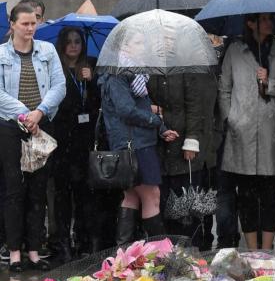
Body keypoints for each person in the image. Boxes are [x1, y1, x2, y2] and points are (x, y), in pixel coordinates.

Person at [0, 3, 65, 270]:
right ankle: (15, 251)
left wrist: (40, 113)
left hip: (41, 125)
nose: (30, 28)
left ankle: (35, 251)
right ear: (12, 24)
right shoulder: (1, 54)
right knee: (14, 190)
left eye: (33, 23)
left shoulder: (47, 51)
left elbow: (59, 85)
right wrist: (26, 114)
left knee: (38, 191)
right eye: (24, 23)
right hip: (10, 127)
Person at [219, 13, 275, 250]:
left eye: (271, 18)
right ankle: (251, 249)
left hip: (272, 130)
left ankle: (267, 248)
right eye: (264, 19)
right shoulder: (235, 50)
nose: (270, 22)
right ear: (251, 24)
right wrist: (231, 118)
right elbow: (225, 88)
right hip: (242, 132)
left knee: (271, 195)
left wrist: (270, 83)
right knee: (247, 196)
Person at [100, 32, 178, 247]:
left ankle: (123, 253)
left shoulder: (136, 75)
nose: (143, 47)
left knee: (132, 197)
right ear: (123, 47)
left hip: (136, 142)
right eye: (138, 42)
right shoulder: (118, 74)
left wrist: (161, 128)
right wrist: (155, 121)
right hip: (133, 145)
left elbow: (141, 106)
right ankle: (161, 252)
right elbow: (126, 110)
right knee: (151, 195)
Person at [149, 69, 218, 250]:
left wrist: (191, 140)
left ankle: (190, 251)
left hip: (184, 147)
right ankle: (166, 253)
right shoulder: (148, 69)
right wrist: (150, 108)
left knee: (186, 205)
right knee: (162, 205)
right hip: (159, 145)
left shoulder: (185, 69)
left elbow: (194, 107)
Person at [49, 28, 100, 259]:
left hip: (84, 140)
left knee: (84, 194)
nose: (73, 46)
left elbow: (96, 104)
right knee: (62, 196)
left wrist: (91, 82)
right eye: (68, 42)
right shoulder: (55, 67)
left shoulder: (90, 65)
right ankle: (62, 242)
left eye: (77, 42)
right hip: (61, 139)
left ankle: (83, 239)